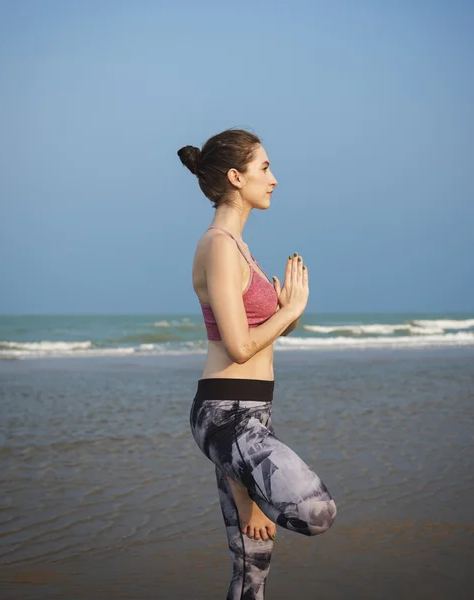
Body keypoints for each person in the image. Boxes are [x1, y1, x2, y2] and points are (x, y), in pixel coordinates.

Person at [179, 129, 336, 600]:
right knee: (316, 512)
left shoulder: (239, 247)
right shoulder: (220, 246)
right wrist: (289, 313)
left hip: (253, 417)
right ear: (235, 176)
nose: (273, 179)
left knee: (252, 574)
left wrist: (284, 316)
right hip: (226, 416)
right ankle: (257, 489)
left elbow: (254, 340)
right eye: (264, 168)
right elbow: (239, 346)